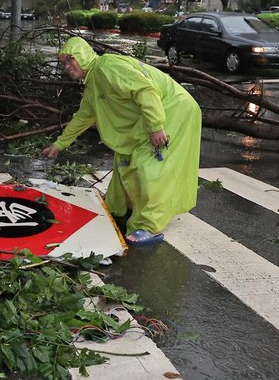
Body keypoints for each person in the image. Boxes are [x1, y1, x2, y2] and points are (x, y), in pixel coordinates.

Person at [41, 37, 201, 246]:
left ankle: (148, 226)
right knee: (125, 159)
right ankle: (123, 206)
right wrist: (59, 145)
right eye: (63, 62)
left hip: (172, 109)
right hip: (151, 116)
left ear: (84, 55)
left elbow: (145, 89)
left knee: (150, 167)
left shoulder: (107, 66)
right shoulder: (93, 85)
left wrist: (156, 126)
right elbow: (82, 117)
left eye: (71, 59)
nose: (67, 66)